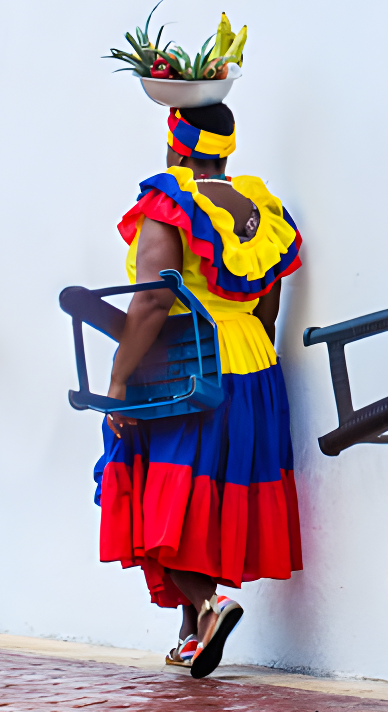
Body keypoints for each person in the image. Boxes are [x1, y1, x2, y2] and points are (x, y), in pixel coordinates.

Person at [96, 103, 303, 677]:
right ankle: (191, 632)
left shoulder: (169, 205)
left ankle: (211, 606)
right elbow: (269, 301)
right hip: (254, 363)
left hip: (190, 363)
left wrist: (118, 379)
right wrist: (252, 367)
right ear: (225, 149)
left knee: (154, 491)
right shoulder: (260, 206)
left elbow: (154, 300)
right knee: (207, 493)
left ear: (175, 145)